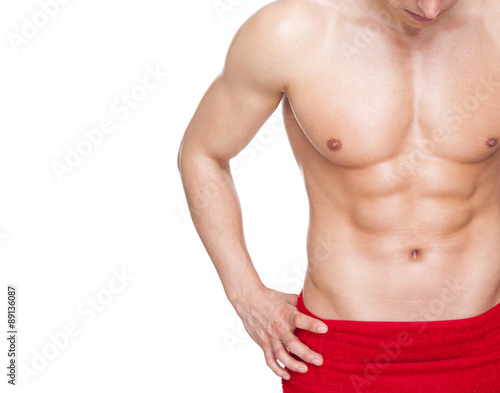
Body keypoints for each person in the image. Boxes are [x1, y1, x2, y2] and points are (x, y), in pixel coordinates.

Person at [177, 0, 500, 391]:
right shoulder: (293, 30)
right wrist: (245, 294)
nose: (430, 10)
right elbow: (203, 153)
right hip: (341, 350)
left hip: (485, 344)